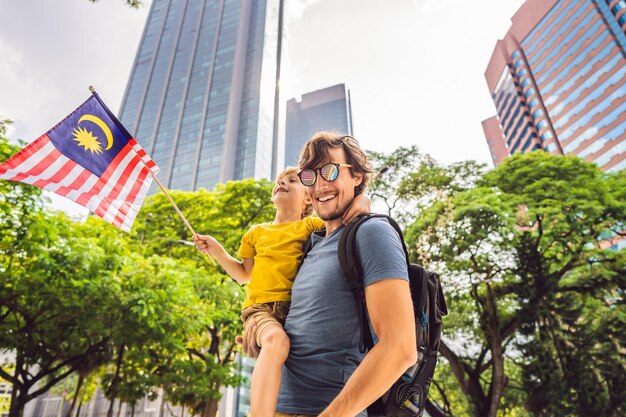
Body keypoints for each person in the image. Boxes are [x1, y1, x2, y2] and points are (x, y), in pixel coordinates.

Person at [241, 132, 417, 417]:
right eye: (309, 176)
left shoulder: (372, 232)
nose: (319, 184)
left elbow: (400, 347)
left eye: (330, 171)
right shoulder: (309, 244)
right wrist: (260, 331)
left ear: (357, 175)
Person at [193, 166, 371, 417]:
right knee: (277, 342)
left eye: (291, 180)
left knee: (283, 351)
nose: (282, 183)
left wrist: (363, 198)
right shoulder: (255, 233)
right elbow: (244, 275)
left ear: (309, 197)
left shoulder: (310, 225)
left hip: (294, 312)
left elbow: (346, 214)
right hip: (260, 309)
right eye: (279, 181)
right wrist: (217, 251)